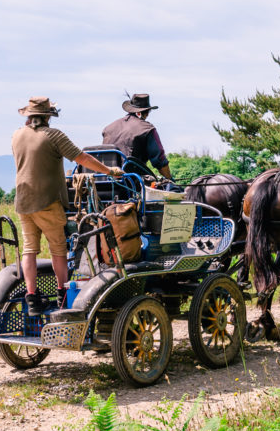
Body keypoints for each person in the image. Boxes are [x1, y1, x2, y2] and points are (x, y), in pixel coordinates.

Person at [13, 97, 124, 316]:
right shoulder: (54, 136)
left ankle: (32, 298)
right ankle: (61, 295)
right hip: (47, 201)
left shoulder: (17, 135)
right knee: (58, 248)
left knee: (29, 250)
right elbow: (81, 158)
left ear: (29, 115)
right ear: (47, 116)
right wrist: (109, 171)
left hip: (23, 201)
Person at [101, 93, 173, 180]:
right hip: (131, 182)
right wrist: (170, 180)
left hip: (104, 180)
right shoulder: (147, 129)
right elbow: (160, 161)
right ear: (144, 113)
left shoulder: (108, 128)